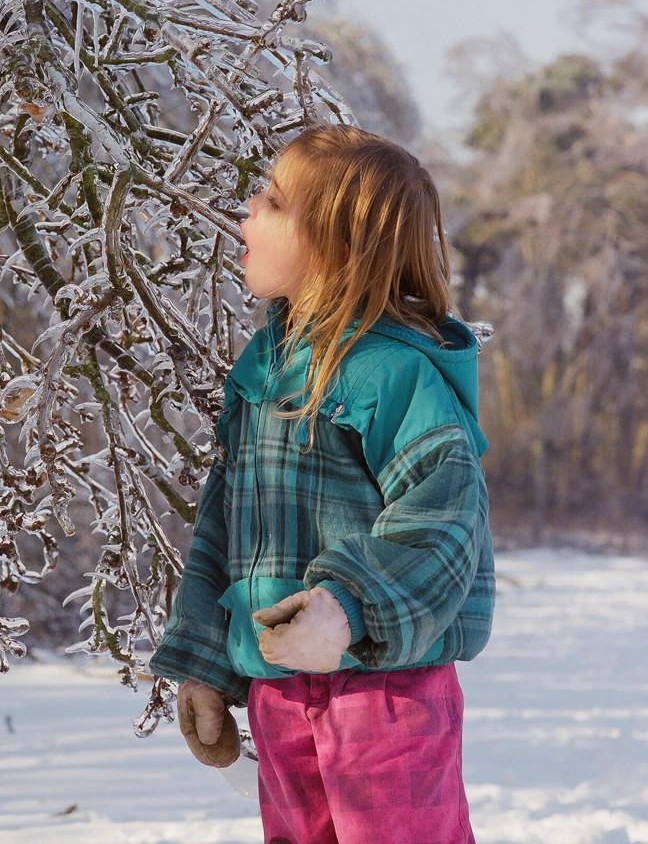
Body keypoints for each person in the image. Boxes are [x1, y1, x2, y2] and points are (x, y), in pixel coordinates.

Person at [149, 123, 494, 844]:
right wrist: (207, 661)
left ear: (337, 249)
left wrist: (346, 609)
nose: (247, 209)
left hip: (386, 690)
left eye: (272, 202)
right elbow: (225, 528)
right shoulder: (261, 374)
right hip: (279, 692)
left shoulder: (392, 375)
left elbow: (445, 523)